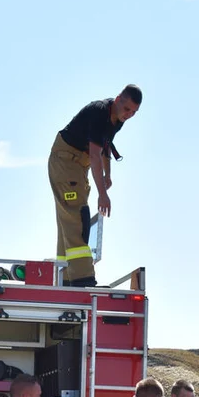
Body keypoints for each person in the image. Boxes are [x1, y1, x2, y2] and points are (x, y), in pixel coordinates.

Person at [48, 85, 142, 287]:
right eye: (127, 109)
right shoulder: (100, 112)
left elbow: (105, 146)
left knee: (68, 221)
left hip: (77, 167)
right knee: (77, 217)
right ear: (118, 99)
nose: (129, 115)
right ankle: (82, 279)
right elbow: (94, 154)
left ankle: (65, 278)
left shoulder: (117, 119)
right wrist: (102, 194)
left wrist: (108, 175)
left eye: (134, 113)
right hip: (67, 161)